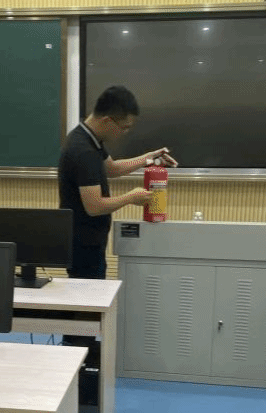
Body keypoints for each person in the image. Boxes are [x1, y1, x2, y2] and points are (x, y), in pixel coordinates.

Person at [58, 85, 178, 280]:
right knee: (90, 295)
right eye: (124, 128)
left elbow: (112, 168)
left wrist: (149, 157)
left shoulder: (90, 139)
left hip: (90, 241)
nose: (125, 133)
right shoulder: (83, 150)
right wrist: (130, 197)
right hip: (83, 246)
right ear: (107, 120)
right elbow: (94, 206)